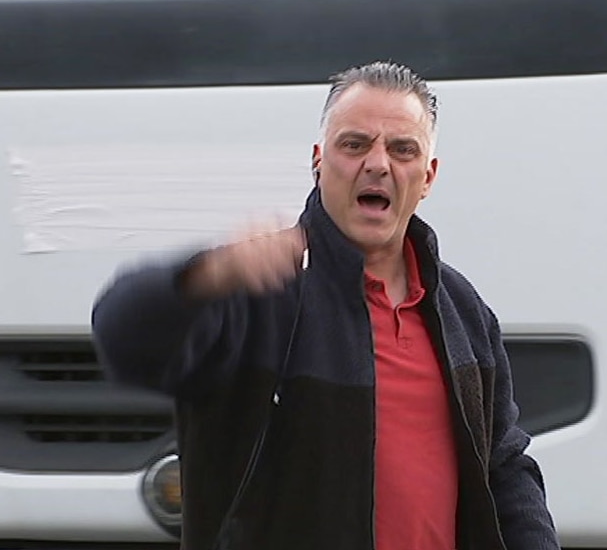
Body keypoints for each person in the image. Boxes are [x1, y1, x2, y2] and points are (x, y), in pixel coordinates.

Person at [92, 61, 558, 550]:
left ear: (428, 177)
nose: (378, 164)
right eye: (355, 144)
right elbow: (123, 339)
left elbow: (503, 466)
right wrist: (205, 276)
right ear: (318, 160)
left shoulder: (462, 311)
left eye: (403, 150)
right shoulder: (256, 292)